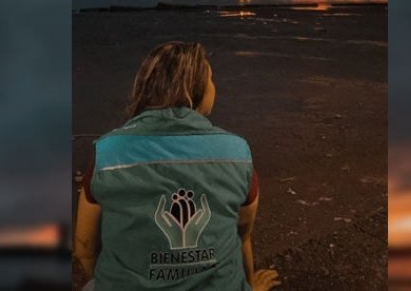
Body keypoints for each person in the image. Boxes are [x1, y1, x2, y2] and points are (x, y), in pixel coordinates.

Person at [74, 41, 280, 290]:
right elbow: (242, 234)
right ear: (194, 88)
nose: (215, 87)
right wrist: (249, 284)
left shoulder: (107, 153)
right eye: (211, 79)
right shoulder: (237, 152)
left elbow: (84, 249)